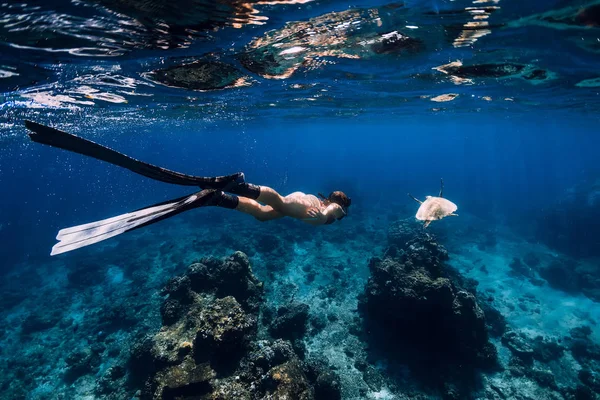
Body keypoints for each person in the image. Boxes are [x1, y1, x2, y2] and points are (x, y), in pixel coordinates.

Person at [24, 121, 351, 255]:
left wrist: (320, 208)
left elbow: (322, 205)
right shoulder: (331, 212)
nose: (340, 214)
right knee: (276, 202)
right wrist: (330, 212)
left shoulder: (321, 203)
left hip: (295, 204)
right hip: (293, 204)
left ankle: (221, 197)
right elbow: (333, 209)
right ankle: (238, 185)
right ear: (338, 204)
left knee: (266, 215)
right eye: (341, 209)